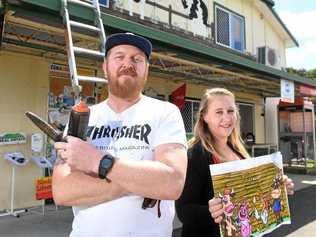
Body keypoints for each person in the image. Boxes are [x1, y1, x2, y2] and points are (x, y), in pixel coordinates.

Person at [52, 33, 188, 237]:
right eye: (119, 57)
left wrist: (97, 161)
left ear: (146, 70)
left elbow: (172, 183)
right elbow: (62, 192)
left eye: (137, 59)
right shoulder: (81, 118)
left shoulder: (165, 112)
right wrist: (140, 183)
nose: (128, 63)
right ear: (105, 67)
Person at [175, 88, 294, 237]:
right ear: (205, 116)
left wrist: (278, 188)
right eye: (219, 112)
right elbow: (183, 210)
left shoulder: (238, 151)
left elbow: (252, 194)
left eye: (230, 111)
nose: (227, 118)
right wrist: (210, 211)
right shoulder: (195, 155)